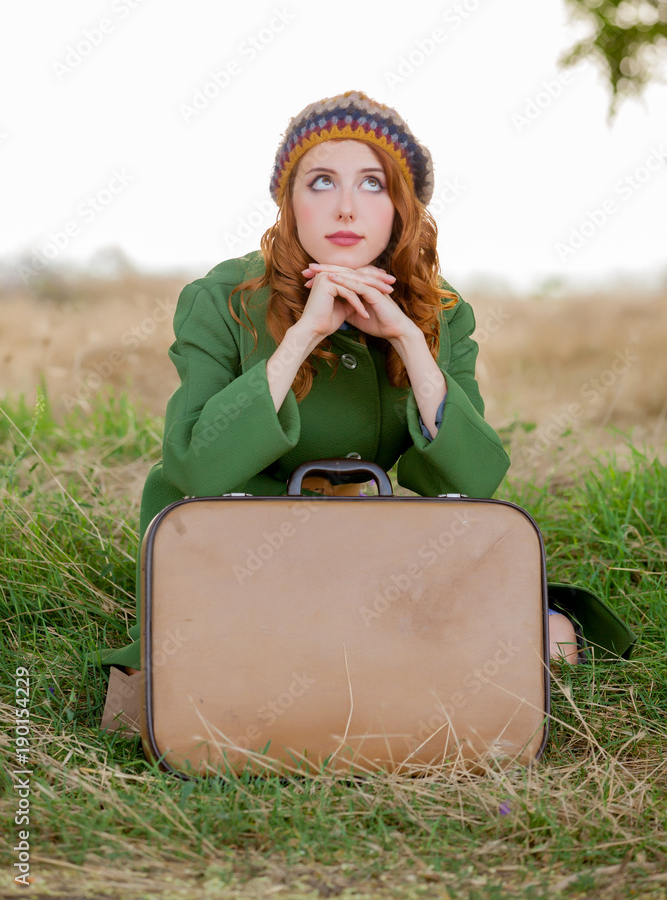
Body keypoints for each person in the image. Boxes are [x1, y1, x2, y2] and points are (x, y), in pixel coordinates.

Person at [100, 91, 580, 733]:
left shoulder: (440, 311)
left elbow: (470, 482)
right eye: (321, 181)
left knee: (548, 636)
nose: (346, 206)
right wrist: (303, 336)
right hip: (237, 553)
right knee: (246, 667)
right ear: (289, 201)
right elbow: (196, 468)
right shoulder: (220, 299)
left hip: (364, 548)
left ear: (402, 208)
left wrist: (409, 341)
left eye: (373, 184)